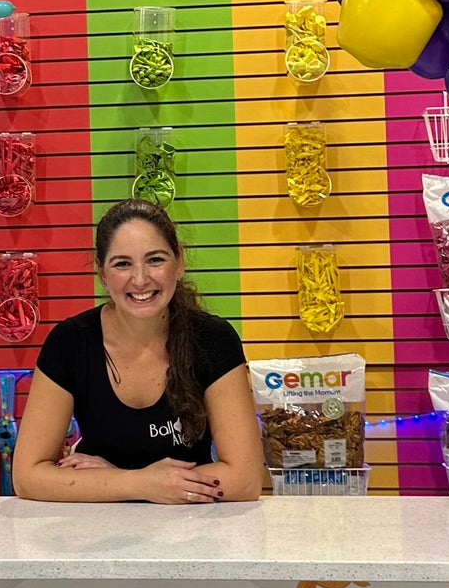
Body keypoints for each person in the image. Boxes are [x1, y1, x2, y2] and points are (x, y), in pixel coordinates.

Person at [13, 198, 263, 503]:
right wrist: (139, 483)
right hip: (97, 535)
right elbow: (27, 477)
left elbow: (245, 479)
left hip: (191, 527)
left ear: (179, 261)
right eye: (122, 264)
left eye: (155, 259)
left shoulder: (213, 340)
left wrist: (111, 478)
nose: (141, 279)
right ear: (102, 273)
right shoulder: (70, 342)